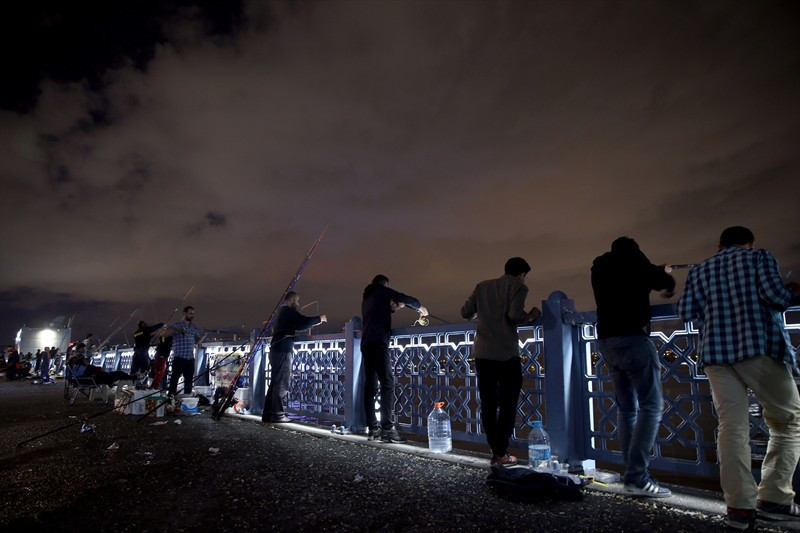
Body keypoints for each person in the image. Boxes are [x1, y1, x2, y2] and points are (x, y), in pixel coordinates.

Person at [678, 226, 800, 529]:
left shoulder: (701, 269)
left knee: (731, 427)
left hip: (716, 355)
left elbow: (686, 312)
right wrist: (792, 291)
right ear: (750, 243)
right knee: (788, 421)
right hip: (758, 347)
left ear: (719, 245)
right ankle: (774, 498)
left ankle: (739, 507)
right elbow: (774, 296)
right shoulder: (759, 257)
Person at [591, 237, 676, 497]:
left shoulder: (599, 266)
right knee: (652, 406)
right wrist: (665, 273)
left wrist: (651, 270)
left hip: (607, 341)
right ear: (635, 251)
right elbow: (662, 282)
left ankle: (631, 473)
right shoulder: (636, 263)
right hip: (633, 339)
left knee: (627, 409)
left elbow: (634, 277)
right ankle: (638, 477)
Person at [460, 257, 541, 466]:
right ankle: (500, 453)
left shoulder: (482, 286)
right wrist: (531, 316)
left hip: (482, 354)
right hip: (506, 355)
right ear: (522, 274)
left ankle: (496, 452)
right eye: (525, 277)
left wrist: (485, 313)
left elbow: (465, 313)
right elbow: (515, 314)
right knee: (508, 404)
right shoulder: (518, 287)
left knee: (488, 404)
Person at [361, 275, 428, 443]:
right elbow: (403, 297)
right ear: (385, 284)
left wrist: (396, 307)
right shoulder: (381, 290)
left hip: (366, 343)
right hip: (378, 342)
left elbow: (384, 308)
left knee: (370, 387)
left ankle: (372, 429)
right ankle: (388, 429)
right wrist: (420, 307)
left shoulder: (368, 297)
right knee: (388, 384)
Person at [262, 292, 327, 423]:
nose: (298, 303)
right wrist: (319, 319)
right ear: (291, 300)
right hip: (283, 351)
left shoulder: (283, 312)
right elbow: (303, 322)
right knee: (281, 383)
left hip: (276, 349)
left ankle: (268, 414)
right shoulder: (288, 311)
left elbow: (294, 325)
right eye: (297, 301)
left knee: (275, 383)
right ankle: (278, 414)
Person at [162, 306, 205, 396]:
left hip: (190, 358)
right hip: (179, 357)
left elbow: (196, 342)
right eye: (190, 313)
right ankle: (171, 397)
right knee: (175, 378)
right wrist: (177, 329)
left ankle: (187, 398)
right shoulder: (177, 325)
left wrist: (204, 336)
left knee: (189, 380)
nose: (192, 316)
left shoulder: (194, 327)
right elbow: (164, 334)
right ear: (184, 313)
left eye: (193, 314)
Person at [66, 343, 135, 385]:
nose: (84, 349)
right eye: (83, 348)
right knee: (118, 374)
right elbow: (90, 368)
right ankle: (133, 377)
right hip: (91, 380)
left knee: (114, 375)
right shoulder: (81, 360)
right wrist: (96, 369)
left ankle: (131, 377)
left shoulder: (75, 364)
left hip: (83, 379)